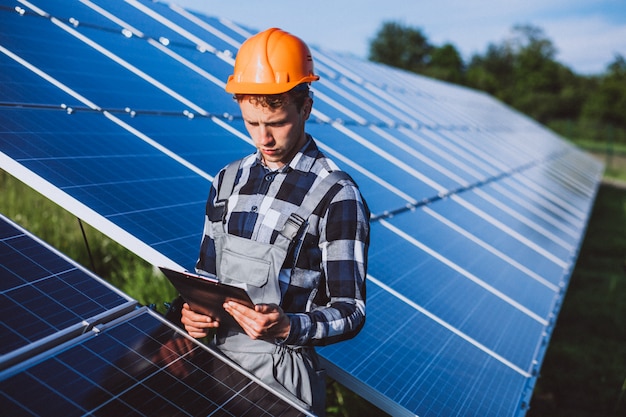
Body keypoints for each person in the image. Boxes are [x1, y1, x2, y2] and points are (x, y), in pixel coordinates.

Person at [180, 27, 370, 416]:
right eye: (251, 123)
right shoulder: (226, 180)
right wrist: (193, 313)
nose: (264, 138)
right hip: (214, 367)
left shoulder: (337, 195)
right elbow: (205, 275)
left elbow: (351, 310)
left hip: (283, 381)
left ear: (306, 108)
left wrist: (289, 327)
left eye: (277, 122)